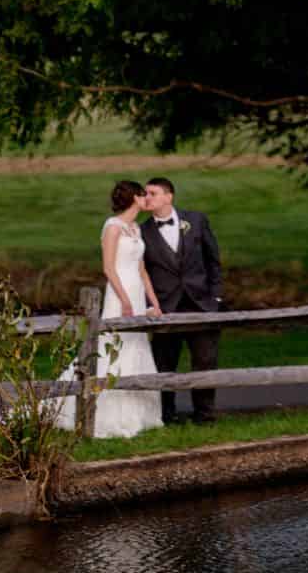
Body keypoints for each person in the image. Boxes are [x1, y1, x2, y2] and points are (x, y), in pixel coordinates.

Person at [49, 180, 164, 439]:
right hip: (119, 292)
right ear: (134, 198)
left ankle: (141, 412)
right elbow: (108, 268)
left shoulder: (135, 228)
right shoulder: (112, 227)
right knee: (115, 344)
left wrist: (153, 301)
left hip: (136, 290)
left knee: (136, 344)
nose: (147, 198)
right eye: (143, 194)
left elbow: (142, 269)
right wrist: (124, 300)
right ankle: (107, 410)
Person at [141, 176, 223, 426]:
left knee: (205, 362)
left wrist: (216, 296)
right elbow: (141, 272)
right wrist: (149, 304)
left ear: (169, 196)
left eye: (152, 193)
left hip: (202, 305)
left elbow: (213, 259)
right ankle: (166, 416)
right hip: (165, 308)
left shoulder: (196, 221)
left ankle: (205, 416)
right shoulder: (141, 231)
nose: (147, 197)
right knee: (164, 364)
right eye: (146, 193)